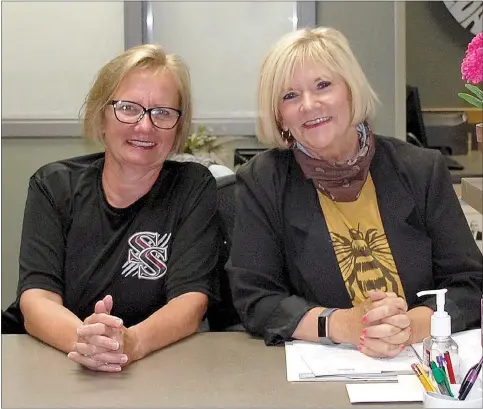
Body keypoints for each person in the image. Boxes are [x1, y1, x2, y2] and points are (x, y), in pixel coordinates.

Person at [226, 27, 483, 358]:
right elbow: (255, 298)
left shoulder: (421, 169)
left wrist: (410, 326)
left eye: (323, 85)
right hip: (319, 374)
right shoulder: (262, 181)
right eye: (290, 96)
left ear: (351, 90)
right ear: (280, 117)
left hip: (422, 362)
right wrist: (341, 325)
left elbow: (469, 283)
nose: (309, 104)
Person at [6, 44, 220, 372]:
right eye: (128, 108)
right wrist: (87, 342)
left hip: (156, 367)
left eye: (162, 112)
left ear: (178, 127)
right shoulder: (53, 185)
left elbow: (190, 301)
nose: (145, 126)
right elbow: (37, 298)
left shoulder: (193, 186)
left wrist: (131, 344)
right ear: (101, 114)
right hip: (53, 362)